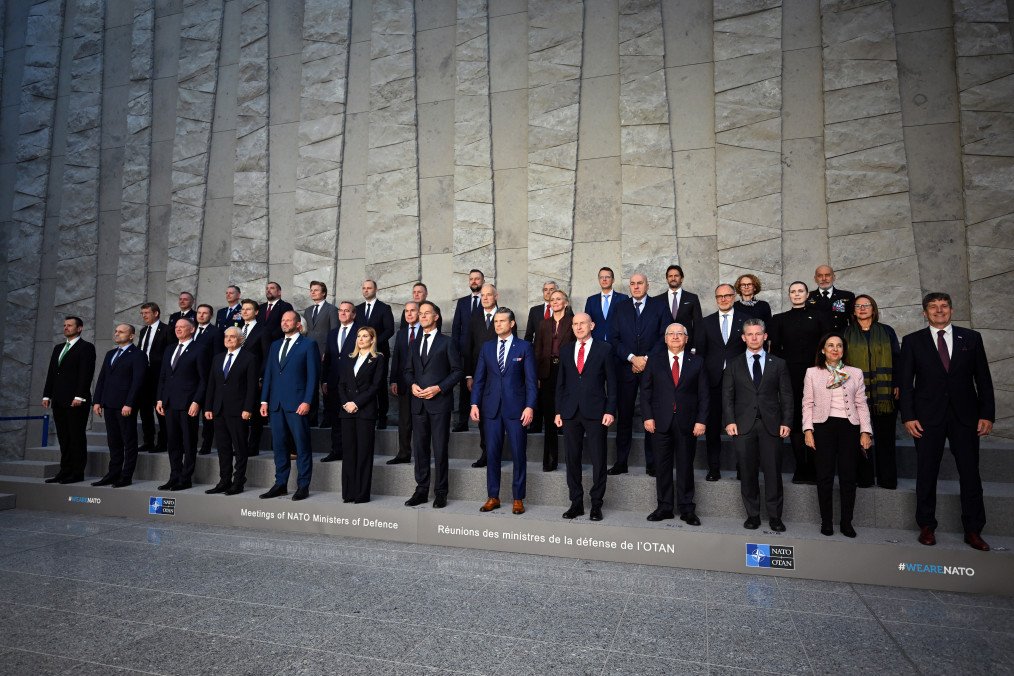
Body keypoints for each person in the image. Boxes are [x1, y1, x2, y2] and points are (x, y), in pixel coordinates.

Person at [900, 292, 995, 551]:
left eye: (944, 306)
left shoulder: (971, 338)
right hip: (927, 418)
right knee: (926, 472)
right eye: (933, 307)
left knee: (970, 473)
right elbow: (906, 384)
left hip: (966, 417)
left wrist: (987, 414)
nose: (939, 311)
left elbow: (983, 379)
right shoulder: (912, 341)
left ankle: (973, 529)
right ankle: (927, 525)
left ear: (951, 310)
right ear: (924, 313)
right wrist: (908, 416)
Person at [723, 318, 793, 531]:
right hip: (743, 426)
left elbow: (787, 395)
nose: (754, 337)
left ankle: (775, 517)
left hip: (771, 425)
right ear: (743, 338)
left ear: (765, 336)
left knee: (773, 473)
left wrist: (787, 422)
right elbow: (727, 395)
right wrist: (729, 421)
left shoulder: (778, 363)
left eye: (758, 334)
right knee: (747, 472)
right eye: (749, 334)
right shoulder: (733, 364)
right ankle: (752, 515)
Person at [802, 333, 873, 538]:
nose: (835, 349)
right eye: (830, 345)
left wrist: (865, 431)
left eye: (839, 346)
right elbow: (807, 403)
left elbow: (861, 404)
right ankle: (826, 522)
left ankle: (846, 522)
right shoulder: (812, 373)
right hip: (823, 426)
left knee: (848, 476)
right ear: (823, 350)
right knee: (824, 476)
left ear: (843, 350)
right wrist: (808, 430)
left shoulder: (855, 373)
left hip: (849, 427)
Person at [471, 307, 537, 515]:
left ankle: (518, 498)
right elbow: (479, 379)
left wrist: (530, 406)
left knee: (518, 453)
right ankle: (493, 496)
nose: (497, 324)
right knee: (492, 454)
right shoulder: (487, 347)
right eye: (496, 321)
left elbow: (531, 382)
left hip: (517, 409)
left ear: (512, 324)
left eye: (502, 321)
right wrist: (474, 404)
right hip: (491, 409)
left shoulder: (524, 347)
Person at [641, 323, 709, 524]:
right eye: (671, 334)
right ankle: (664, 507)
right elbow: (645, 392)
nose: (676, 337)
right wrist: (647, 417)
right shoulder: (654, 361)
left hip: (687, 423)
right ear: (665, 338)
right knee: (662, 467)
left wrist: (701, 421)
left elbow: (704, 395)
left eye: (680, 334)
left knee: (686, 466)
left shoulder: (697, 362)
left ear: (687, 339)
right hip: (660, 422)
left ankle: (687, 508)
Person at [554, 312, 616, 521]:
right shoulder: (565, 350)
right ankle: (576, 503)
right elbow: (560, 384)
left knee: (599, 459)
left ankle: (596, 504)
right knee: (572, 459)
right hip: (570, 412)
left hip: (596, 412)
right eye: (575, 324)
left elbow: (613, 384)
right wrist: (558, 411)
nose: (579, 327)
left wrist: (609, 410)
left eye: (583, 323)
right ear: (571, 328)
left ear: (592, 325)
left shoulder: (604, 349)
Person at [767, 281, 830, 484]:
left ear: (806, 293)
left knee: (816, 418)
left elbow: (827, 344)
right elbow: (775, 350)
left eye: (800, 291)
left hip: (818, 373)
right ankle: (800, 468)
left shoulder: (820, 316)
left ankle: (814, 467)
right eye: (793, 291)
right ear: (789, 295)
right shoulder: (779, 319)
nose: (796, 294)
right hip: (790, 375)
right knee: (794, 419)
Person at [608, 273, 667, 476]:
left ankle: (652, 463)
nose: (636, 287)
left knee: (651, 416)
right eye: (632, 284)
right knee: (624, 416)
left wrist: (646, 360)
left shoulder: (659, 306)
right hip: (626, 368)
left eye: (640, 283)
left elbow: (664, 336)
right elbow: (613, 338)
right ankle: (621, 462)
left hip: (652, 370)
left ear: (647, 285)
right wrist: (633, 358)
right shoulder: (620, 307)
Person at [404, 301, 462, 509]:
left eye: (427, 313)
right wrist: (411, 385)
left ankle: (441, 492)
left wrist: (439, 388)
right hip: (418, 404)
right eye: (420, 314)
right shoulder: (414, 342)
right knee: (419, 450)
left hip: (439, 403)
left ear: (436, 317)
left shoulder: (447, 342)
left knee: (439, 449)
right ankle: (421, 490)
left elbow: (457, 371)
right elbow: (408, 371)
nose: (422, 316)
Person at [259, 311, 320, 501]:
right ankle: (280, 484)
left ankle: (303, 486)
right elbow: (269, 374)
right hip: (276, 404)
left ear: (298, 325)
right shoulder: (275, 345)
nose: (284, 323)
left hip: (297, 404)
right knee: (279, 446)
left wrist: (307, 401)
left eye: (288, 320)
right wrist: (264, 400)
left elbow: (313, 377)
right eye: (282, 320)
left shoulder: (309, 345)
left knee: (301, 446)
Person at [843, 294, 901, 489]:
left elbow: (897, 359)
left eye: (866, 305)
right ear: (853, 311)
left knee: (886, 438)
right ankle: (865, 479)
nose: (862, 308)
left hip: (885, 395)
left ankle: (887, 480)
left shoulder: (887, 332)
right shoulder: (846, 333)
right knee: (860, 439)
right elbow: (840, 364)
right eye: (858, 306)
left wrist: (897, 383)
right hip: (856, 396)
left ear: (873, 309)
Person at [695, 284, 747, 481]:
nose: (724, 299)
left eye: (727, 296)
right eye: (720, 296)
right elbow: (700, 353)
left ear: (734, 297)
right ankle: (713, 468)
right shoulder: (705, 322)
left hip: (740, 381)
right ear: (716, 298)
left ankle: (743, 468)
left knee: (742, 427)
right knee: (713, 427)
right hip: (713, 381)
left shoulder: (745, 320)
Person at [156, 318, 211, 491]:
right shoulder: (170, 348)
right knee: (172, 442)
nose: (178, 329)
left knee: (188, 442)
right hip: (169, 403)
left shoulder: (200, 349)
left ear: (192, 329)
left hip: (188, 404)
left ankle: (185, 478)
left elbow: (204, 380)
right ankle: (174, 476)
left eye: (182, 327)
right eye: (176, 327)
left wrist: (197, 401)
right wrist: (160, 399)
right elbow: (164, 376)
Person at [203, 327, 259, 495]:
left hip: (238, 410)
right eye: (226, 336)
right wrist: (208, 407)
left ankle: (238, 481)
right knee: (223, 448)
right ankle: (224, 480)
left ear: (241, 339)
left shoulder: (249, 358)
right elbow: (212, 385)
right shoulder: (217, 358)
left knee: (240, 448)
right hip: (219, 409)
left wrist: (248, 408)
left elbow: (252, 387)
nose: (228, 339)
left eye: (232, 337)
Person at [41, 316, 96, 484]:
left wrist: (79, 395)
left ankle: (77, 473)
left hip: (76, 401)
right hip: (58, 400)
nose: (66, 328)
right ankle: (64, 471)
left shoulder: (86, 347)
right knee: (63, 437)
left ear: (79, 328)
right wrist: (46, 394)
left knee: (76, 436)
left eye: (70, 325)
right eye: (64, 325)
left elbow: (85, 373)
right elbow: (52, 373)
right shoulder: (58, 348)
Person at [91, 323, 147, 487]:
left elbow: (137, 382)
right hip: (109, 403)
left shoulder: (138, 355)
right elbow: (102, 379)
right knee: (113, 441)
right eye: (116, 331)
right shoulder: (110, 354)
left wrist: (129, 403)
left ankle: (126, 476)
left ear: (131, 336)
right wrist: (97, 401)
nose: (117, 334)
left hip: (125, 406)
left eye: (121, 332)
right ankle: (113, 473)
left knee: (128, 441)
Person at [338, 327, 386, 503]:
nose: (361, 339)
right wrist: (346, 403)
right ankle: (348, 493)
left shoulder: (378, 359)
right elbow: (341, 384)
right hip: (347, 411)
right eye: (359, 336)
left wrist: (356, 403)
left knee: (364, 452)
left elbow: (375, 386)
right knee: (349, 453)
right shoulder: (348, 359)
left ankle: (361, 494)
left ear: (372, 340)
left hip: (365, 411)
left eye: (365, 336)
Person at [535, 289, 574, 471]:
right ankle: (550, 459)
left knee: (568, 414)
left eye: (559, 299)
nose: (555, 302)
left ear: (565, 303)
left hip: (567, 371)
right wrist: (537, 375)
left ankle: (572, 458)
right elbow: (538, 350)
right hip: (547, 372)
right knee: (550, 416)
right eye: (552, 299)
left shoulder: (573, 322)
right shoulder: (543, 324)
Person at [464, 283, 502, 468]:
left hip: (500, 375)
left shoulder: (504, 316)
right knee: (483, 416)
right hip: (480, 375)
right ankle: (486, 453)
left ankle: (497, 452)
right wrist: (469, 375)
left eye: (488, 295)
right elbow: (469, 348)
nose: (485, 298)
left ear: (496, 296)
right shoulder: (474, 317)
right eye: (482, 296)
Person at [321, 301, 360, 462]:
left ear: (353, 314)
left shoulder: (360, 332)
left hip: (352, 383)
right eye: (341, 311)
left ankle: (351, 452)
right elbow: (328, 358)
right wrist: (324, 380)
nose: (343, 313)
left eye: (347, 311)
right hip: (333, 382)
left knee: (351, 419)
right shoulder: (332, 333)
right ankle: (336, 450)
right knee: (335, 418)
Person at [356, 279, 395, 430]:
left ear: (375, 289)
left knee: (379, 385)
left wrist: (373, 343)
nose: (366, 290)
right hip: (361, 354)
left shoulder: (384, 308)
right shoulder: (357, 309)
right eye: (364, 288)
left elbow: (389, 329)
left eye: (369, 288)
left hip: (379, 353)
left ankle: (382, 417)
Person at [452, 269, 485, 432]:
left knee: (483, 385)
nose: (474, 281)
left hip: (482, 351)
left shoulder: (488, 300)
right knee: (465, 387)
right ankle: (462, 421)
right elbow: (456, 327)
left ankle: (484, 422)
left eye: (477, 279)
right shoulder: (462, 302)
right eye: (471, 279)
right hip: (464, 353)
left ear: (482, 281)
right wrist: (456, 349)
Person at [387, 301, 420, 465]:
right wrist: (393, 379)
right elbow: (397, 359)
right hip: (403, 383)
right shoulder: (401, 334)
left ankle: (422, 454)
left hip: (421, 384)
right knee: (404, 421)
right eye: (406, 311)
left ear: (420, 313)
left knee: (420, 421)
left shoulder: (425, 331)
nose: (409, 314)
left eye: (412, 311)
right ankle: (403, 453)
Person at [303, 280, 339, 427]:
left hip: (324, 353)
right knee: (311, 385)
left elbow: (334, 332)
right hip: (309, 354)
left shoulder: (331, 309)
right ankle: (312, 418)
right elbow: (305, 333)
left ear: (323, 292)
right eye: (311, 290)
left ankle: (327, 418)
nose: (313, 292)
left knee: (325, 387)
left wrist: (328, 352)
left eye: (316, 290)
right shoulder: (307, 310)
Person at [237, 299, 269, 455]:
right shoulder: (237, 328)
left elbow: (266, 356)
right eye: (243, 309)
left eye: (248, 309)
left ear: (256, 312)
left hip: (254, 377)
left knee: (254, 414)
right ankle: (240, 445)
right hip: (237, 379)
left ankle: (253, 446)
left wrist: (261, 377)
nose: (244, 312)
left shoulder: (262, 329)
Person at [137, 302, 169, 453]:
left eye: (146, 313)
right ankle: (148, 441)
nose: (144, 316)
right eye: (142, 313)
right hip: (143, 375)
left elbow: (169, 354)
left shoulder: (167, 330)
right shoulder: (143, 331)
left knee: (160, 410)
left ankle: (163, 442)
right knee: (144, 410)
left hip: (158, 376)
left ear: (156, 313)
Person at [192, 304, 223, 455]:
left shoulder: (216, 332)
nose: (201, 315)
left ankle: (206, 443)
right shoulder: (190, 330)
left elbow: (217, 356)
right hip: (190, 378)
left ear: (211, 316)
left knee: (207, 412)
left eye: (205, 313)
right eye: (199, 312)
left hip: (207, 376)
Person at [653, 264, 703, 344]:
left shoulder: (692, 298)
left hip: (687, 345)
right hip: (663, 346)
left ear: (682, 278)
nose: (673, 278)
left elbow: (698, 325)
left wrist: (695, 346)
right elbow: (654, 327)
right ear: (667, 279)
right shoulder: (657, 300)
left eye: (676, 276)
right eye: (670, 276)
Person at [583, 266, 628, 342]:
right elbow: (587, 323)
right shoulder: (591, 300)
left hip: (617, 344)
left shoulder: (623, 298)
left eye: (607, 277)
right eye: (601, 277)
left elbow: (627, 323)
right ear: (599, 280)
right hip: (596, 344)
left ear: (613, 280)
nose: (604, 279)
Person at [806, 265, 855, 332]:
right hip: (816, 340)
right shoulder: (807, 297)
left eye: (827, 275)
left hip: (840, 338)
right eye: (820, 276)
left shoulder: (847, 296)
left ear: (834, 277)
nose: (824, 278)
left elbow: (854, 322)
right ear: (815, 279)